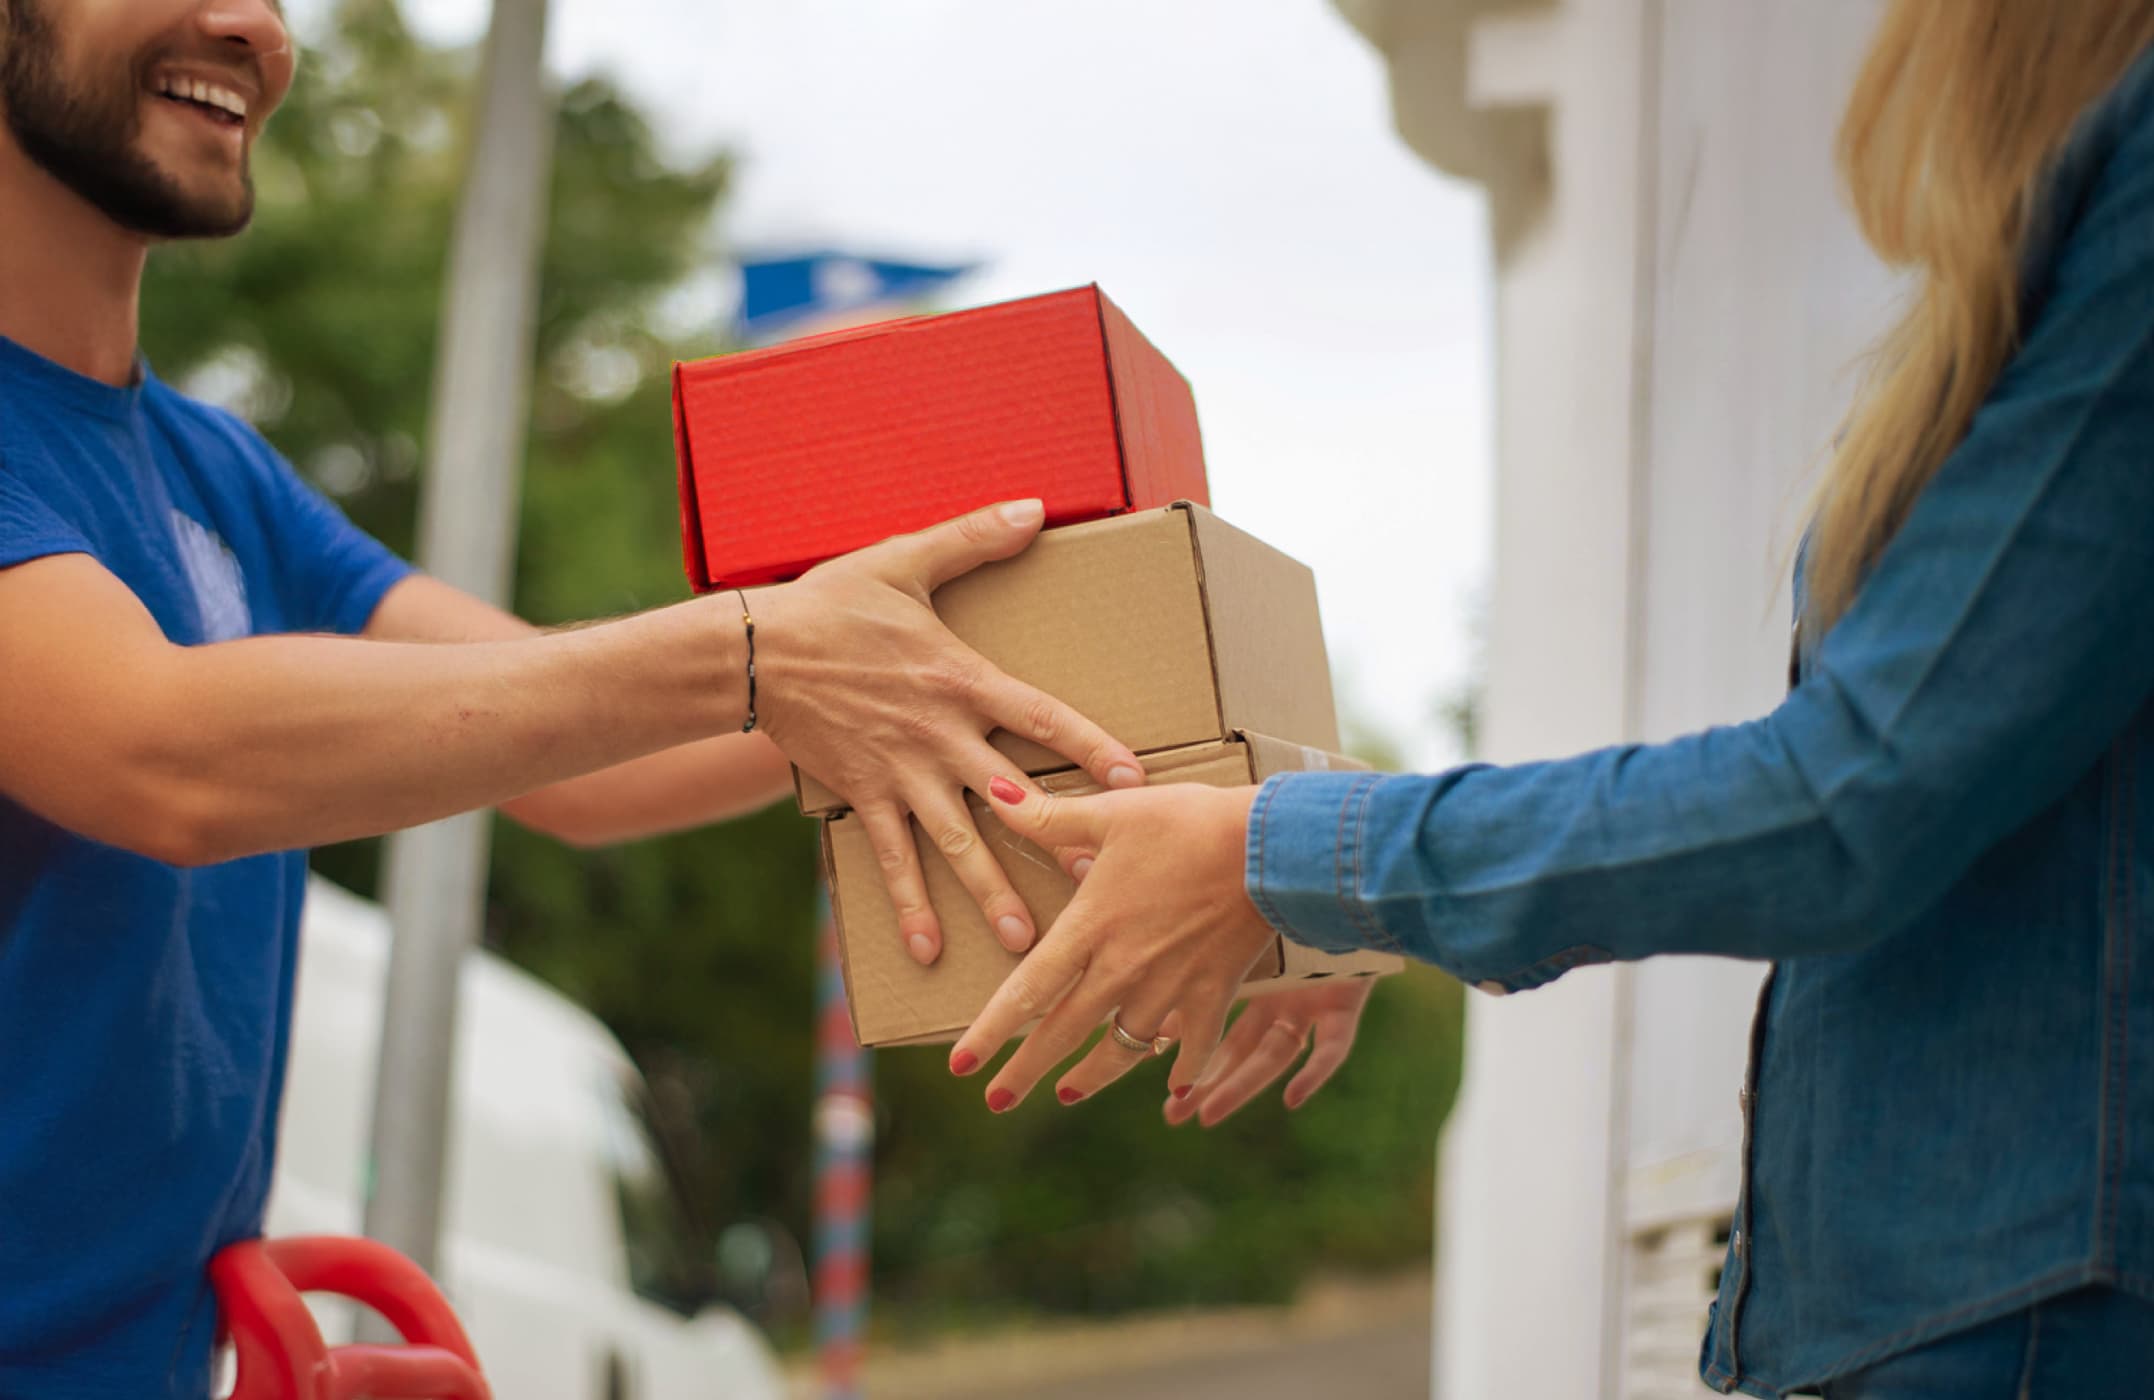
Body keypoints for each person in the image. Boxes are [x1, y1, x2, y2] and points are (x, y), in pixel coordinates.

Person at [950, 3, 2154, 1396]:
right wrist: (1311, 887)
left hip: (2022, 1311)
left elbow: (1844, 801)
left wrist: (1280, 861)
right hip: (1946, 1300)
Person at [0, 2, 1153, 1393]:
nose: (251, 22)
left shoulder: (210, 470)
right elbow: (161, 754)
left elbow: (583, 765)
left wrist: (1085, 644)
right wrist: (764, 650)